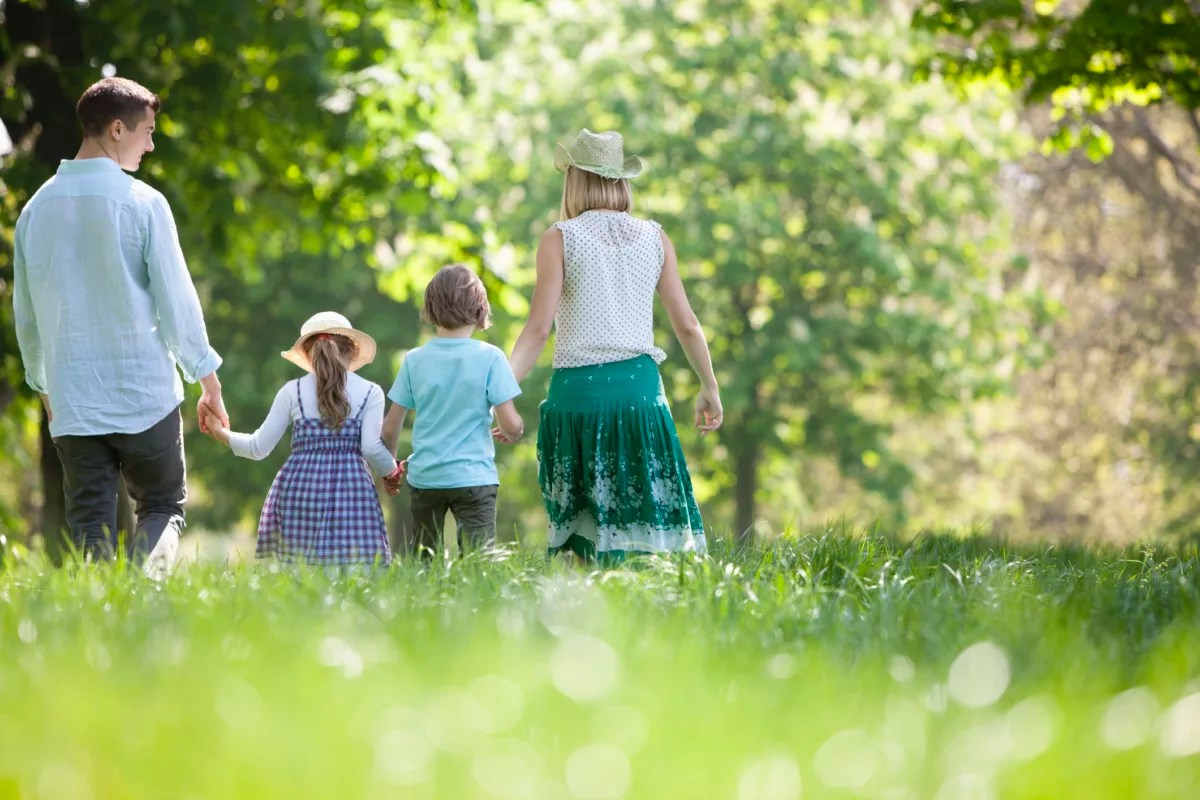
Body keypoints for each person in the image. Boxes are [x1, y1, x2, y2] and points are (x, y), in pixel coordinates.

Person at [12, 76, 226, 571]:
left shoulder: (33, 212)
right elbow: (177, 301)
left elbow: (28, 316)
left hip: (74, 401)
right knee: (162, 506)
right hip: (143, 395)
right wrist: (207, 382)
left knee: (88, 524)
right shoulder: (144, 203)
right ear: (115, 129)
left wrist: (46, 389)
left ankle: (98, 623)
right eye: (146, 132)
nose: (150, 145)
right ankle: (145, 593)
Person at [507, 129, 723, 563]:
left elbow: (536, 331)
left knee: (581, 543)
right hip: (639, 394)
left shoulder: (559, 238)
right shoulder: (655, 237)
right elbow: (687, 325)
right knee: (647, 530)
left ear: (575, 180)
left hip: (577, 398)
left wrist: (501, 392)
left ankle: (586, 622)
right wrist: (709, 386)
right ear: (620, 180)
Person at [204, 312, 399, 565]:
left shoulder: (292, 392)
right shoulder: (371, 392)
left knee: (298, 572)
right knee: (355, 569)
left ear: (307, 354)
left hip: (300, 491)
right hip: (352, 493)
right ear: (352, 349)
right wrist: (391, 474)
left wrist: (221, 433)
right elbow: (371, 448)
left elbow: (257, 448)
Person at [381, 264, 524, 556]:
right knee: (479, 561)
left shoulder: (415, 360)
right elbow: (510, 423)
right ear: (480, 310)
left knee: (424, 561)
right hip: (475, 478)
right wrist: (514, 432)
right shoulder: (491, 357)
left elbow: (390, 427)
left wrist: (391, 468)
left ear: (430, 309)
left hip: (426, 478)